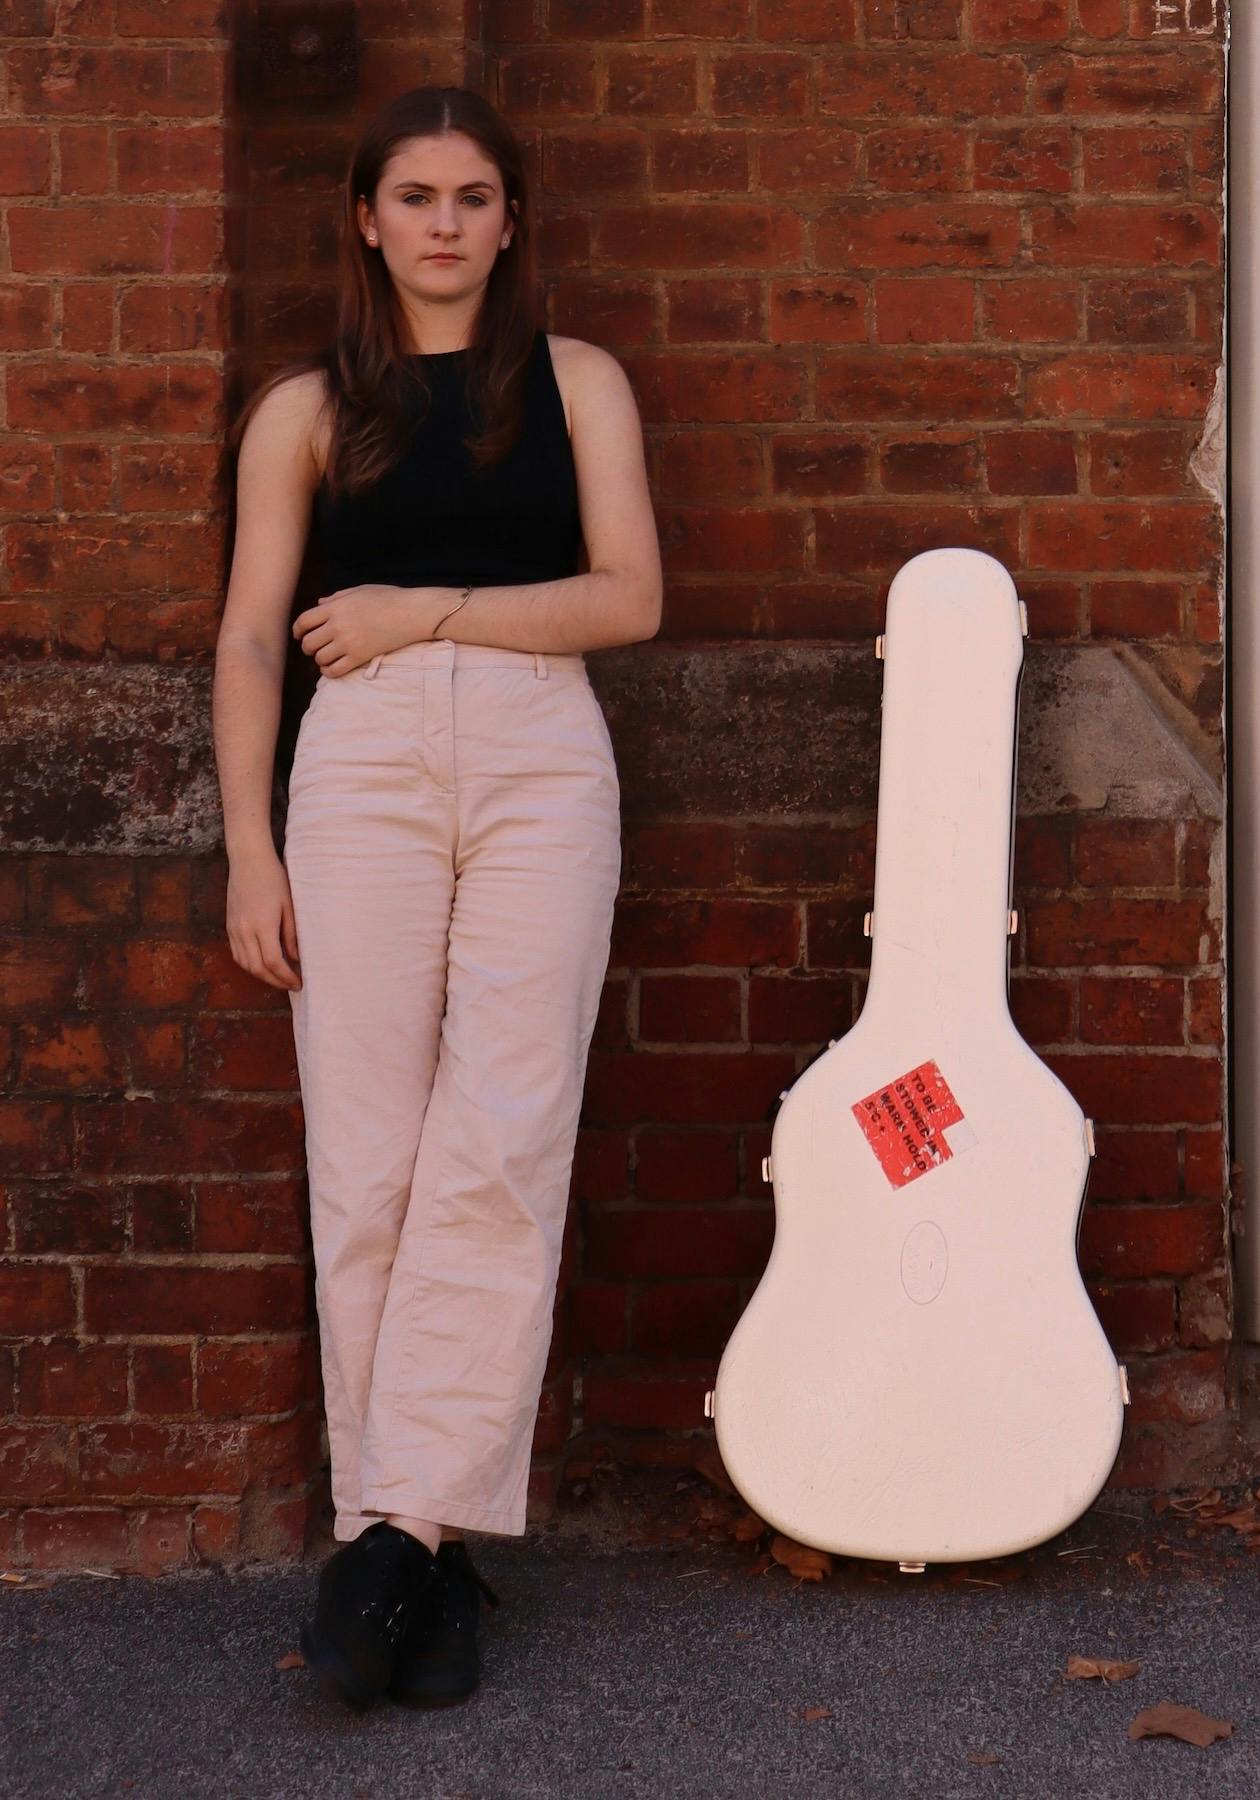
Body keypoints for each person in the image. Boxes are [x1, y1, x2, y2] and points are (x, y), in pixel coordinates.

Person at [210, 85, 661, 1711]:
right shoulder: (307, 410)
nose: (448, 223)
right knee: (372, 1155)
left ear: (511, 219)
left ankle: (390, 1540)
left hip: (543, 756)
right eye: (417, 196)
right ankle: (427, 1554)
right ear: (369, 218)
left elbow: (633, 595)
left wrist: (433, 609)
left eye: (476, 195)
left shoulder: (579, 385)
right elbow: (256, 635)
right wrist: (250, 848)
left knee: (506, 1128)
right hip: (358, 773)